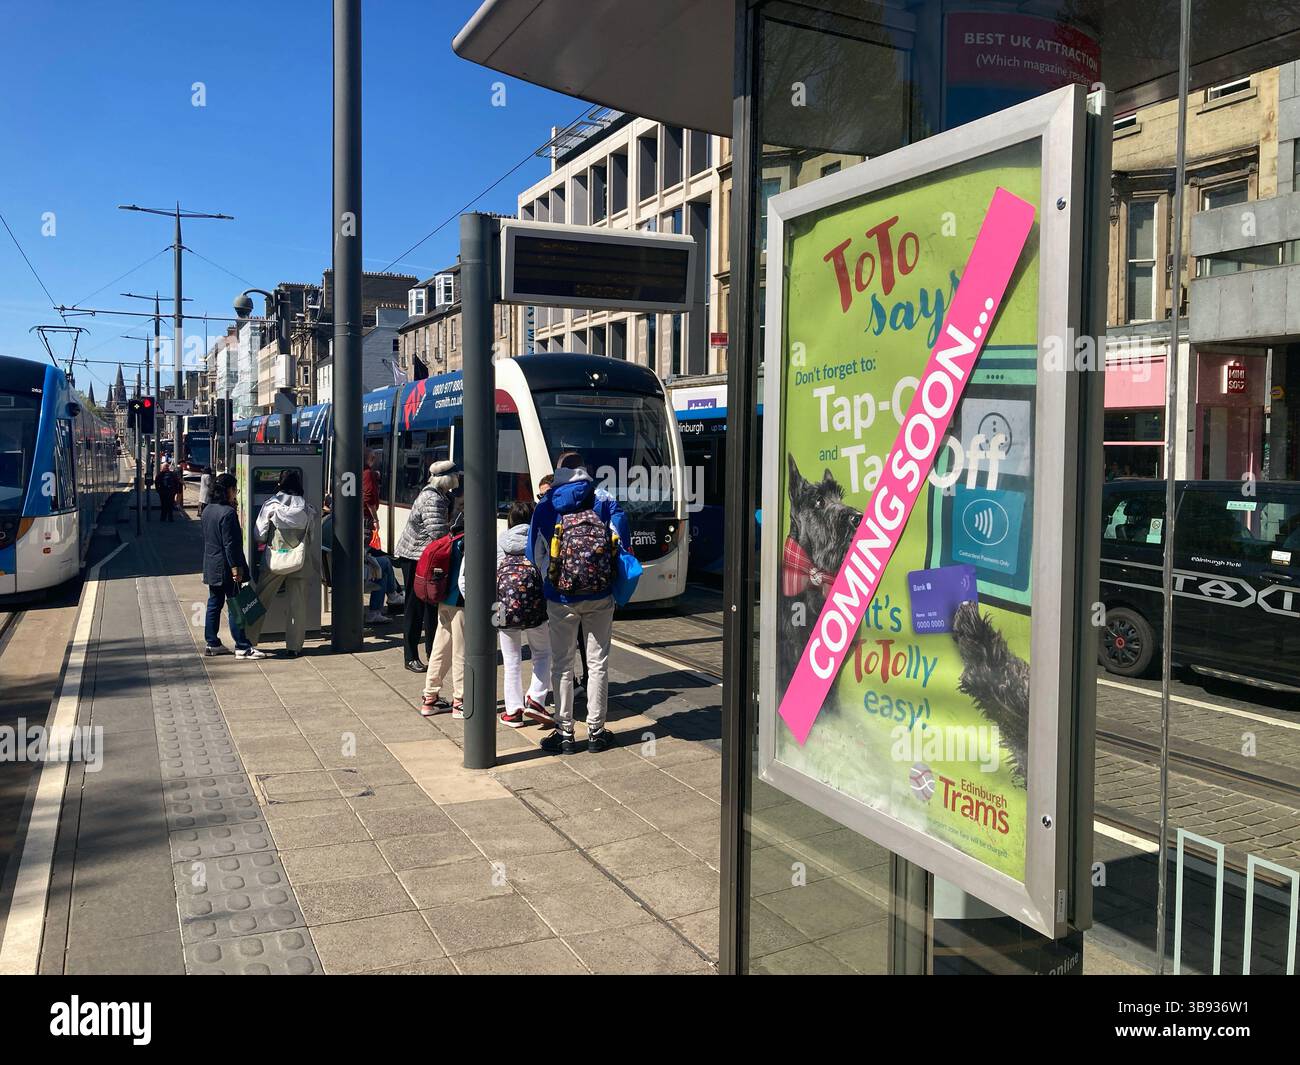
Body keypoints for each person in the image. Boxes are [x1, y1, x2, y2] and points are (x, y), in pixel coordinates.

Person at [529, 450, 628, 754]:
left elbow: (534, 553)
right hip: (600, 595)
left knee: (561, 664)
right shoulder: (606, 501)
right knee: (598, 663)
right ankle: (597, 732)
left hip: (560, 597)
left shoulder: (546, 505)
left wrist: (552, 576)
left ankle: (565, 733)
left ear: (559, 472)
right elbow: (622, 545)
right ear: (585, 470)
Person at [393, 460, 457, 672]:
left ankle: (432, 652)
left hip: (425, 557)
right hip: (416, 558)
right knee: (415, 606)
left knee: (431, 606)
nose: (458, 479)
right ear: (447, 478)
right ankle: (411, 655)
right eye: (455, 475)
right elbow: (437, 533)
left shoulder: (441, 496)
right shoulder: (432, 499)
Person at [494, 500, 553, 728]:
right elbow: (547, 572)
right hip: (536, 605)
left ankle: (513, 711)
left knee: (511, 660)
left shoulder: (500, 540)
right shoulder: (539, 538)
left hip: (500, 607)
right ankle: (536, 699)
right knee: (543, 653)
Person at [247, 468, 317, 658]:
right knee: (298, 606)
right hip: (300, 562)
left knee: (259, 600)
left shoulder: (271, 505)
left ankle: (248, 640)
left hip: (274, 561)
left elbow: (259, 535)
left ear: (280, 483)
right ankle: (294, 647)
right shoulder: (308, 509)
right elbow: (311, 537)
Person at [200, 472, 266, 660]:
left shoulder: (207, 510)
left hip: (211, 565)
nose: (235, 494)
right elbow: (231, 545)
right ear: (228, 490)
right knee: (235, 605)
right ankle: (242, 646)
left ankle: (212, 642)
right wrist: (236, 568)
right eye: (234, 490)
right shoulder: (228, 513)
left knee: (214, 603)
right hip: (226, 567)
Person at [421, 513, 465, 717]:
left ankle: (429, 697)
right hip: (461, 602)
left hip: (444, 599)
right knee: (461, 651)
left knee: (440, 646)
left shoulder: (452, 537)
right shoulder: (469, 541)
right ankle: (460, 700)